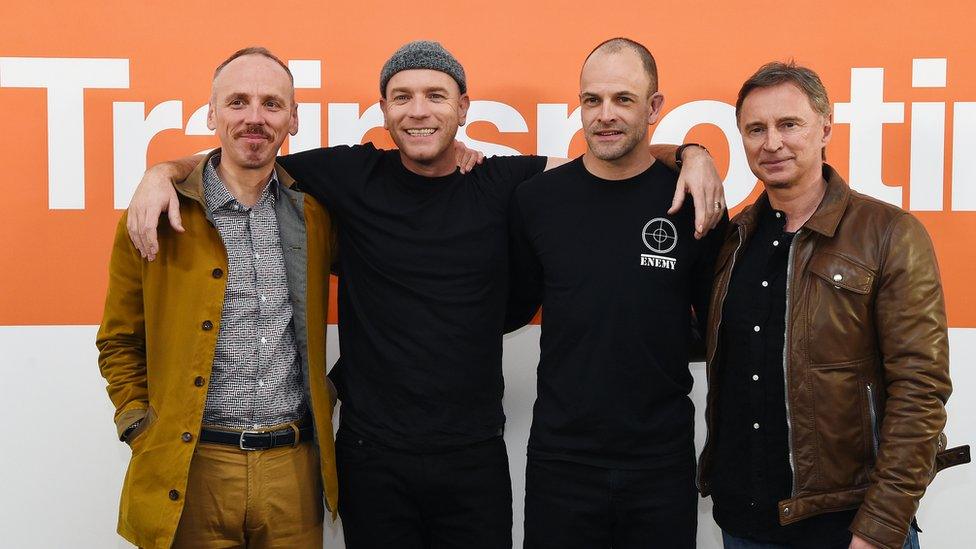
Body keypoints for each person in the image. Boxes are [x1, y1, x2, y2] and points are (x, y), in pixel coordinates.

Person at [123, 40, 726, 548]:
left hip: (475, 456)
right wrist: (163, 172)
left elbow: (607, 161)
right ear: (382, 108)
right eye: (402, 96)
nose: (419, 111)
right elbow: (247, 153)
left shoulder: (504, 181)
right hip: (371, 454)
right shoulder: (351, 176)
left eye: (436, 96)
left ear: (463, 107)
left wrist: (693, 154)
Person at [698, 61, 969, 549]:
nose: (771, 142)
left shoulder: (888, 233)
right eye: (755, 129)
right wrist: (689, 152)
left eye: (789, 124)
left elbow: (920, 391)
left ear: (825, 126)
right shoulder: (732, 240)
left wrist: (881, 527)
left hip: (847, 528)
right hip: (742, 524)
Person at [96, 47, 338, 549]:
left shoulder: (316, 214)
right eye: (237, 102)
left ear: (293, 118)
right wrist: (139, 424)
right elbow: (119, 339)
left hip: (293, 474)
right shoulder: (154, 216)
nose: (255, 118)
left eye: (272, 104)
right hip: (190, 472)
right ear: (210, 113)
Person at [507, 37, 727, 549]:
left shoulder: (693, 201)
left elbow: (718, 328)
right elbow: (511, 305)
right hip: (562, 463)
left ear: (654, 107)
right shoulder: (536, 201)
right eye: (592, 100)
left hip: (661, 464)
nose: (605, 115)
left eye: (623, 100)